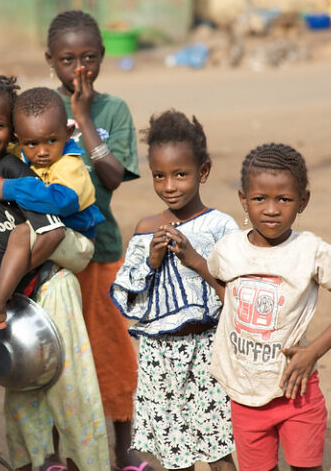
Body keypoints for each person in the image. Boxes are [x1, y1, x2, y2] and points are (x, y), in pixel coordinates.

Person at [0, 74, 110, 470]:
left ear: (10, 131)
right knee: (21, 384)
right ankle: (34, 462)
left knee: (71, 389)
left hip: (50, 281)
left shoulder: (21, 172)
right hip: (18, 293)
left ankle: (88, 463)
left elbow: (53, 230)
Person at [204, 143, 331, 471]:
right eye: (259, 198)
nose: (271, 209)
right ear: (243, 199)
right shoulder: (228, 250)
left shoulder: (311, 251)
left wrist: (313, 352)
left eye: (284, 199)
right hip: (244, 394)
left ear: (303, 201)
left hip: (297, 391)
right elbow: (224, 288)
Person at [110, 111, 237, 471]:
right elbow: (129, 300)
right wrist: (151, 260)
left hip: (208, 353)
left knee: (218, 451)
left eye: (181, 174)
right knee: (174, 454)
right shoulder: (146, 229)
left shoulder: (220, 227)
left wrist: (195, 260)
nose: (169, 186)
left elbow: (235, 295)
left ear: (203, 171)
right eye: (159, 176)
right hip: (159, 359)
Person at [45, 9, 143, 470]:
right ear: (50, 60)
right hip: (51, 255)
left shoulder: (113, 110)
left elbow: (113, 176)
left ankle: (122, 452)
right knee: (54, 352)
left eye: (89, 58)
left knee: (111, 350)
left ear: (102, 56)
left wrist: (82, 118)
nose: (79, 69)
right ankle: (56, 453)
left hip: (101, 251)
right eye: (68, 60)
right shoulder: (41, 106)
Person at [0, 86, 105, 279]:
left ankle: (3, 286)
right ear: (18, 138)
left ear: (68, 132)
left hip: (77, 240)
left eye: (51, 141)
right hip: (45, 235)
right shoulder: (21, 151)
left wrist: (11, 188)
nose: (42, 152)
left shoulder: (69, 164)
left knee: (20, 234)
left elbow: (62, 201)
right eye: (32, 144)